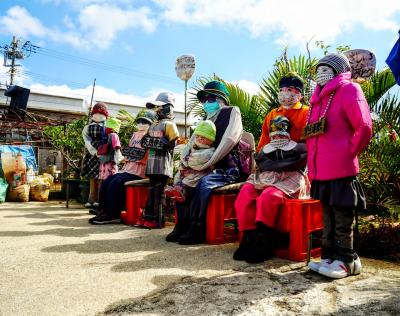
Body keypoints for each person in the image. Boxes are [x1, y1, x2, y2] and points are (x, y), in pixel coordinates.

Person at [305, 53, 372, 279]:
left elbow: (363, 126)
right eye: (319, 68)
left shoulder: (349, 90)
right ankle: (329, 256)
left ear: (338, 70)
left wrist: (347, 153)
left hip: (341, 168)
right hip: (320, 171)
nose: (321, 72)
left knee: (342, 216)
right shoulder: (316, 100)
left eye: (327, 68)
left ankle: (347, 260)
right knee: (327, 217)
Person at [166, 80, 243, 245]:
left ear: (220, 99)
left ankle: (198, 227)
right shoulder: (206, 119)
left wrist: (209, 163)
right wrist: (185, 164)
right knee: (181, 180)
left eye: (210, 98)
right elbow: (190, 144)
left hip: (226, 169)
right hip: (202, 167)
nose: (206, 102)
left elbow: (229, 140)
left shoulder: (232, 112)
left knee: (203, 183)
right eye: (204, 99)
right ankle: (182, 225)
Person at [234, 115, 309, 263]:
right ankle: (248, 238)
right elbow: (261, 165)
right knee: (245, 193)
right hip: (264, 176)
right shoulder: (264, 151)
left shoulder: (299, 149)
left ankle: (265, 240)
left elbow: (299, 163)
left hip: (289, 177)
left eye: (281, 133)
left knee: (269, 196)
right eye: (274, 134)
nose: (278, 137)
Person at [90, 110, 156, 224]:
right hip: (128, 168)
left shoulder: (151, 136)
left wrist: (134, 154)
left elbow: (149, 154)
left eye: (144, 121)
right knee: (108, 180)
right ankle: (104, 210)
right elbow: (130, 150)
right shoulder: (135, 134)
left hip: (139, 171)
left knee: (116, 182)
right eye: (139, 121)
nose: (141, 123)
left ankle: (113, 214)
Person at [140, 92, 179, 229]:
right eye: (156, 107)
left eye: (160, 107)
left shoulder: (170, 125)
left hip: (162, 165)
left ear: (168, 108)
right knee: (151, 192)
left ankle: (158, 219)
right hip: (151, 164)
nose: (158, 110)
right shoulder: (152, 125)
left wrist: (164, 143)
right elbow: (144, 141)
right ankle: (148, 217)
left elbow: (173, 143)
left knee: (159, 192)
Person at [166, 120, 217, 201]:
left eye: (203, 138)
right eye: (197, 137)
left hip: (199, 171)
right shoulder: (192, 146)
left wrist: (187, 159)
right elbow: (184, 154)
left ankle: (180, 191)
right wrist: (186, 159)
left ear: (210, 140)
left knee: (191, 178)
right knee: (178, 176)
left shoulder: (210, 151)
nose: (199, 139)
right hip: (186, 169)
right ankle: (175, 189)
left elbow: (195, 160)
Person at [257, 73, 309, 149]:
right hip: (275, 157)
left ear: (300, 95)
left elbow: (313, 139)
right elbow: (265, 138)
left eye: (289, 89)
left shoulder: (307, 112)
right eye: (281, 90)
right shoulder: (272, 113)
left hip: (300, 156)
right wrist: (260, 153)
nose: (284, 93)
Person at [81, 102, 109, 208]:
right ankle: (91, 199)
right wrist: (93, 151)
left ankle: (99, 199)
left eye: (101, 113)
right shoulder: (87, 127)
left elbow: (111, 140)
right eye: (96, 113)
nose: (98, 115)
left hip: (104, 154)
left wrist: (104, 152)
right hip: (92, 155)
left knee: (102, 177)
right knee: (92, 177)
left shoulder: (108, 127)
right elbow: (86, 140)